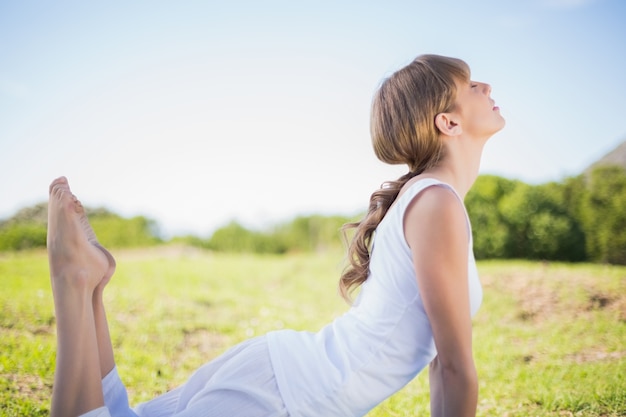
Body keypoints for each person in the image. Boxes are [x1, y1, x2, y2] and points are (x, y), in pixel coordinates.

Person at [46, 53, 505, 417]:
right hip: (285, 397)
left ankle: (91, 285)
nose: (485, 86)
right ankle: (72, 280)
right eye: (470, 85)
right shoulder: (438, 202)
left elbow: (442, 368)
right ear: (448, 122)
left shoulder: (431, 200)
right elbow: (453, 366)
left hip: (282, 381)